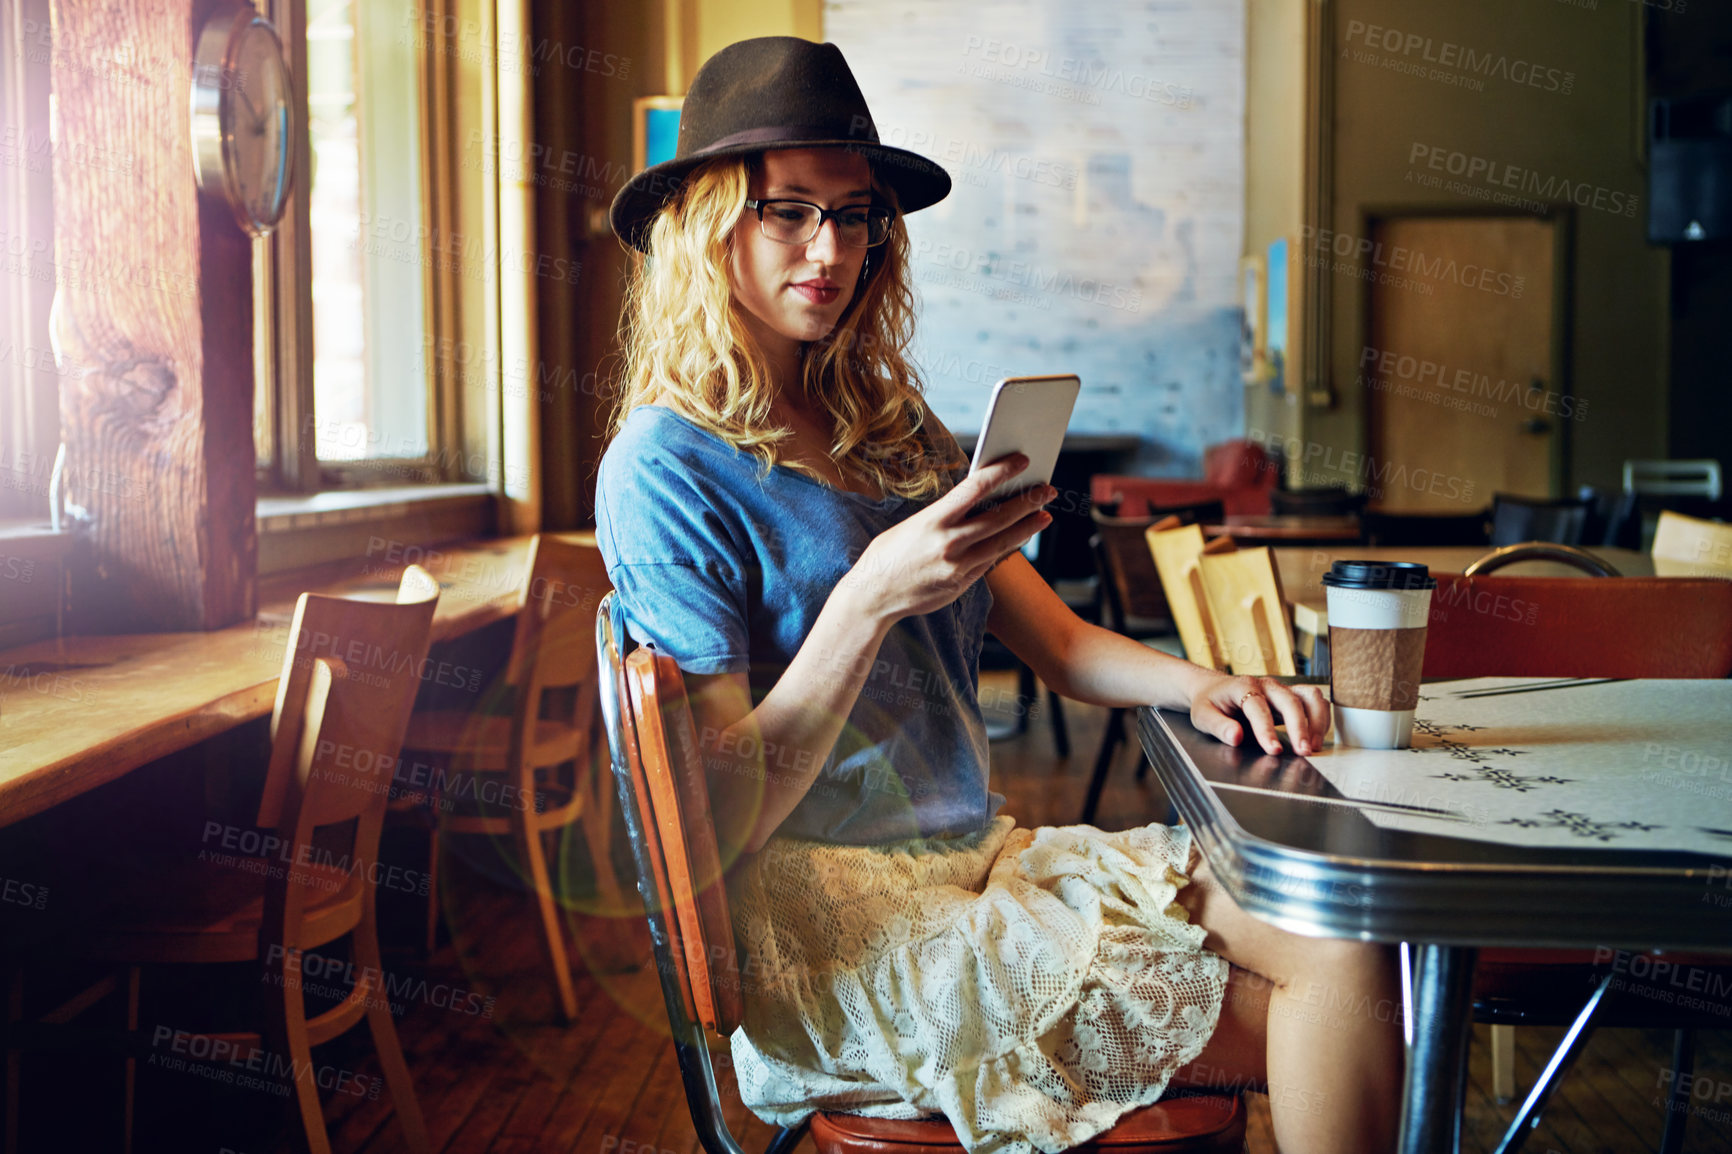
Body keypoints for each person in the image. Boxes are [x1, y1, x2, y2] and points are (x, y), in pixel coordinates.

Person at [596, 36, 1402, 1154]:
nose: (829, 249)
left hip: (977, 863)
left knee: (1346, 940)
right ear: (705, 222)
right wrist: (868, 597)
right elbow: (719, 813)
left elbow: (1061, 644)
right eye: (787, 211)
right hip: (839, 929)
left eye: (855, 213)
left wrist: (1211, 680)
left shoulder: (886, 425)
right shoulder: (663, 465)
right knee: (1324, 1006)